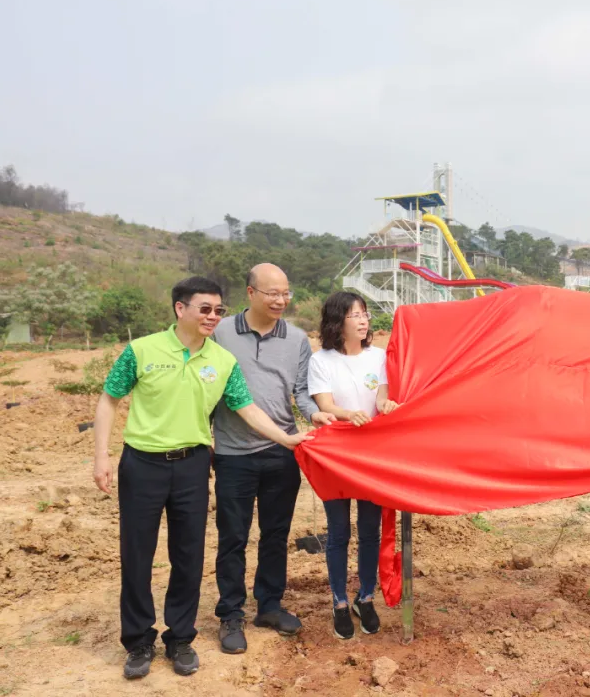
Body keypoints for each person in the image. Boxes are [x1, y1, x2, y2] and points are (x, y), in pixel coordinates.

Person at [93, 276, 314, 680]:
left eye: (217, 310)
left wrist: (287, 439)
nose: (212, 317)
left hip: (193, 464)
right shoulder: (142, 350)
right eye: (204, 309)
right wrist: (101, 456)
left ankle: (180, 638)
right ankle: (139, 640)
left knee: (188, 556)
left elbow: (247, 409)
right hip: (142, 463)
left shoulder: (222, 360)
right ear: (181, 309)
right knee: (137, 555)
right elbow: (109, 398)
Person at [211, 264, 335, 654]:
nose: (281, 300)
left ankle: (268, 605)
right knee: (232, 538)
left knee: (275, 536)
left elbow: (300, 391)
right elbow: (206, 384)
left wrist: (313, 413)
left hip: (282, 452)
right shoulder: (221, 332)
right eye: (272, 293)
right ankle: (231, 614)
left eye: (286, 293)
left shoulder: (297, 339)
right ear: (250, 293)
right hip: (232, 453)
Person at [307, 291, 400, 639]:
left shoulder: (379, 357)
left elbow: (380, 395)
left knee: (370, 530)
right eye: (355, 315)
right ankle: (339, 602)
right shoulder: (322, 361)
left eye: (365, 314)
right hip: (338, 451)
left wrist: (385, 404)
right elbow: (326, 404)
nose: (363, 320)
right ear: (337, 322)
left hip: (372, 452)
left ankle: (366, 597)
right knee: (339, 532)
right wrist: (349, 414)